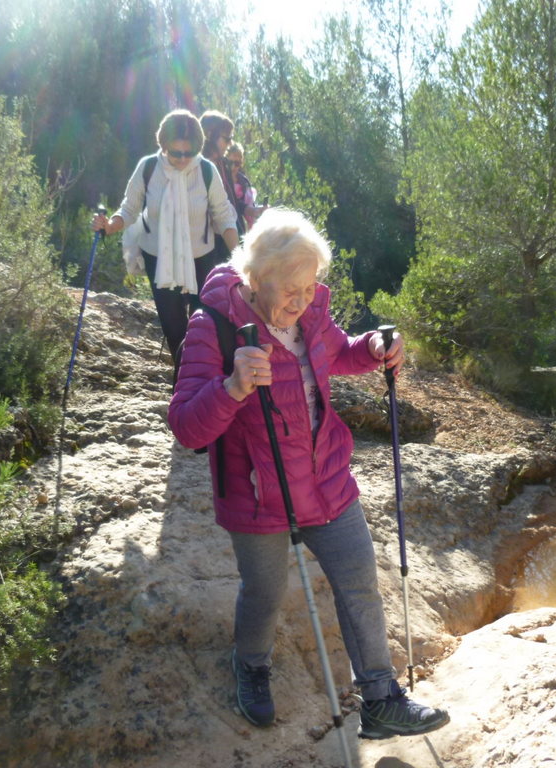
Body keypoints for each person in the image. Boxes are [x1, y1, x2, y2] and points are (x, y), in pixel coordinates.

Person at [167, 208, 450, 739]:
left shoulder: (310, 311)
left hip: (325, 479)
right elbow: (186, 427)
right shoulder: (214, 327)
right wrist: (231, 388)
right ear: (256, 279)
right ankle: (251, 664)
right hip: (258, 495)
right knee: (265, 593)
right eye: (292, 290)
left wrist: (370, 350)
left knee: (360, 583)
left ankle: (382, 699)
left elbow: (334, 352)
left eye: (311, 286)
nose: (303, 302)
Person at [93, 109, 238, 366]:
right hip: (159, 259)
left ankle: (196, 387)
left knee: (203, 330)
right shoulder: (149, 168)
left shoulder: (206, 171)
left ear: (197, 147)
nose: (182, 159)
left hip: (201, 260)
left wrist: (240, 258)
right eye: (175, 153)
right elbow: (129, 209)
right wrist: (107, 227)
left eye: (188, 153)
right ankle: (184, 392)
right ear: (163, 145)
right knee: (175, 334)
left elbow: (224, 216)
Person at [199, 110, 244, 240]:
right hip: (207, 245)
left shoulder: (224, 165)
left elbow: (232, 201)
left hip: (230, 237)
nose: (230, 144)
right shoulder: (196, 168)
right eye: (227, 139)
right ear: (209, 135)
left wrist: (249, 210)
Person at [225, 142, 266, 231]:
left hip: (239, 226)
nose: (233, 167)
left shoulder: (243, 182)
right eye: (230, 162)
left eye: (237, 163)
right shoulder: (220, 178)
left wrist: (256, 211)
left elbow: (247, 206)